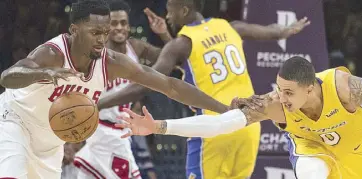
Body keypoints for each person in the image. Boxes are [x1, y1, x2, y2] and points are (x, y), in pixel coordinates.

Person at [118, 56, 362, 179]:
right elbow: (219, 125)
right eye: (280, 90)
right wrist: (159, 126)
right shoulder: (277, 103)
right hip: (313, 150)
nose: (282, 97)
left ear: (312, 88)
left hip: (356, 152)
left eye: (289, 92)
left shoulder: (345, 87)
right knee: (309, 171)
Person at [0, 0, 229, 178]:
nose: (101, 40)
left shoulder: (112, 61)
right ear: (74, 30)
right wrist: (44, 73)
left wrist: (224, 109)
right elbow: (7, 77)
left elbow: (170, 86)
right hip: (15, 121)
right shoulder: (53, 54)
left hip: (50, 142)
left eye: (104, 32)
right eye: (94, 33)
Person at [97, 0, 310, 178]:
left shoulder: (181, 44)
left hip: (214, 127)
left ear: (184, 10)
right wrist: (286, 30)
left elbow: (145, 84)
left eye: (170, 10)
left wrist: (97, 105)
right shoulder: (229, 26)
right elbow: (270, 32)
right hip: (249, 126)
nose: (168, 16)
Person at [73, 1, 168, 178]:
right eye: (113, 23)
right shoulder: (93, 54)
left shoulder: (135, 48)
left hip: (121, 132)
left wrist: (164, 35)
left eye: (123, 23)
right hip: (100, 131)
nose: (119, 28)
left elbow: (172, 60)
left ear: (129, 25)